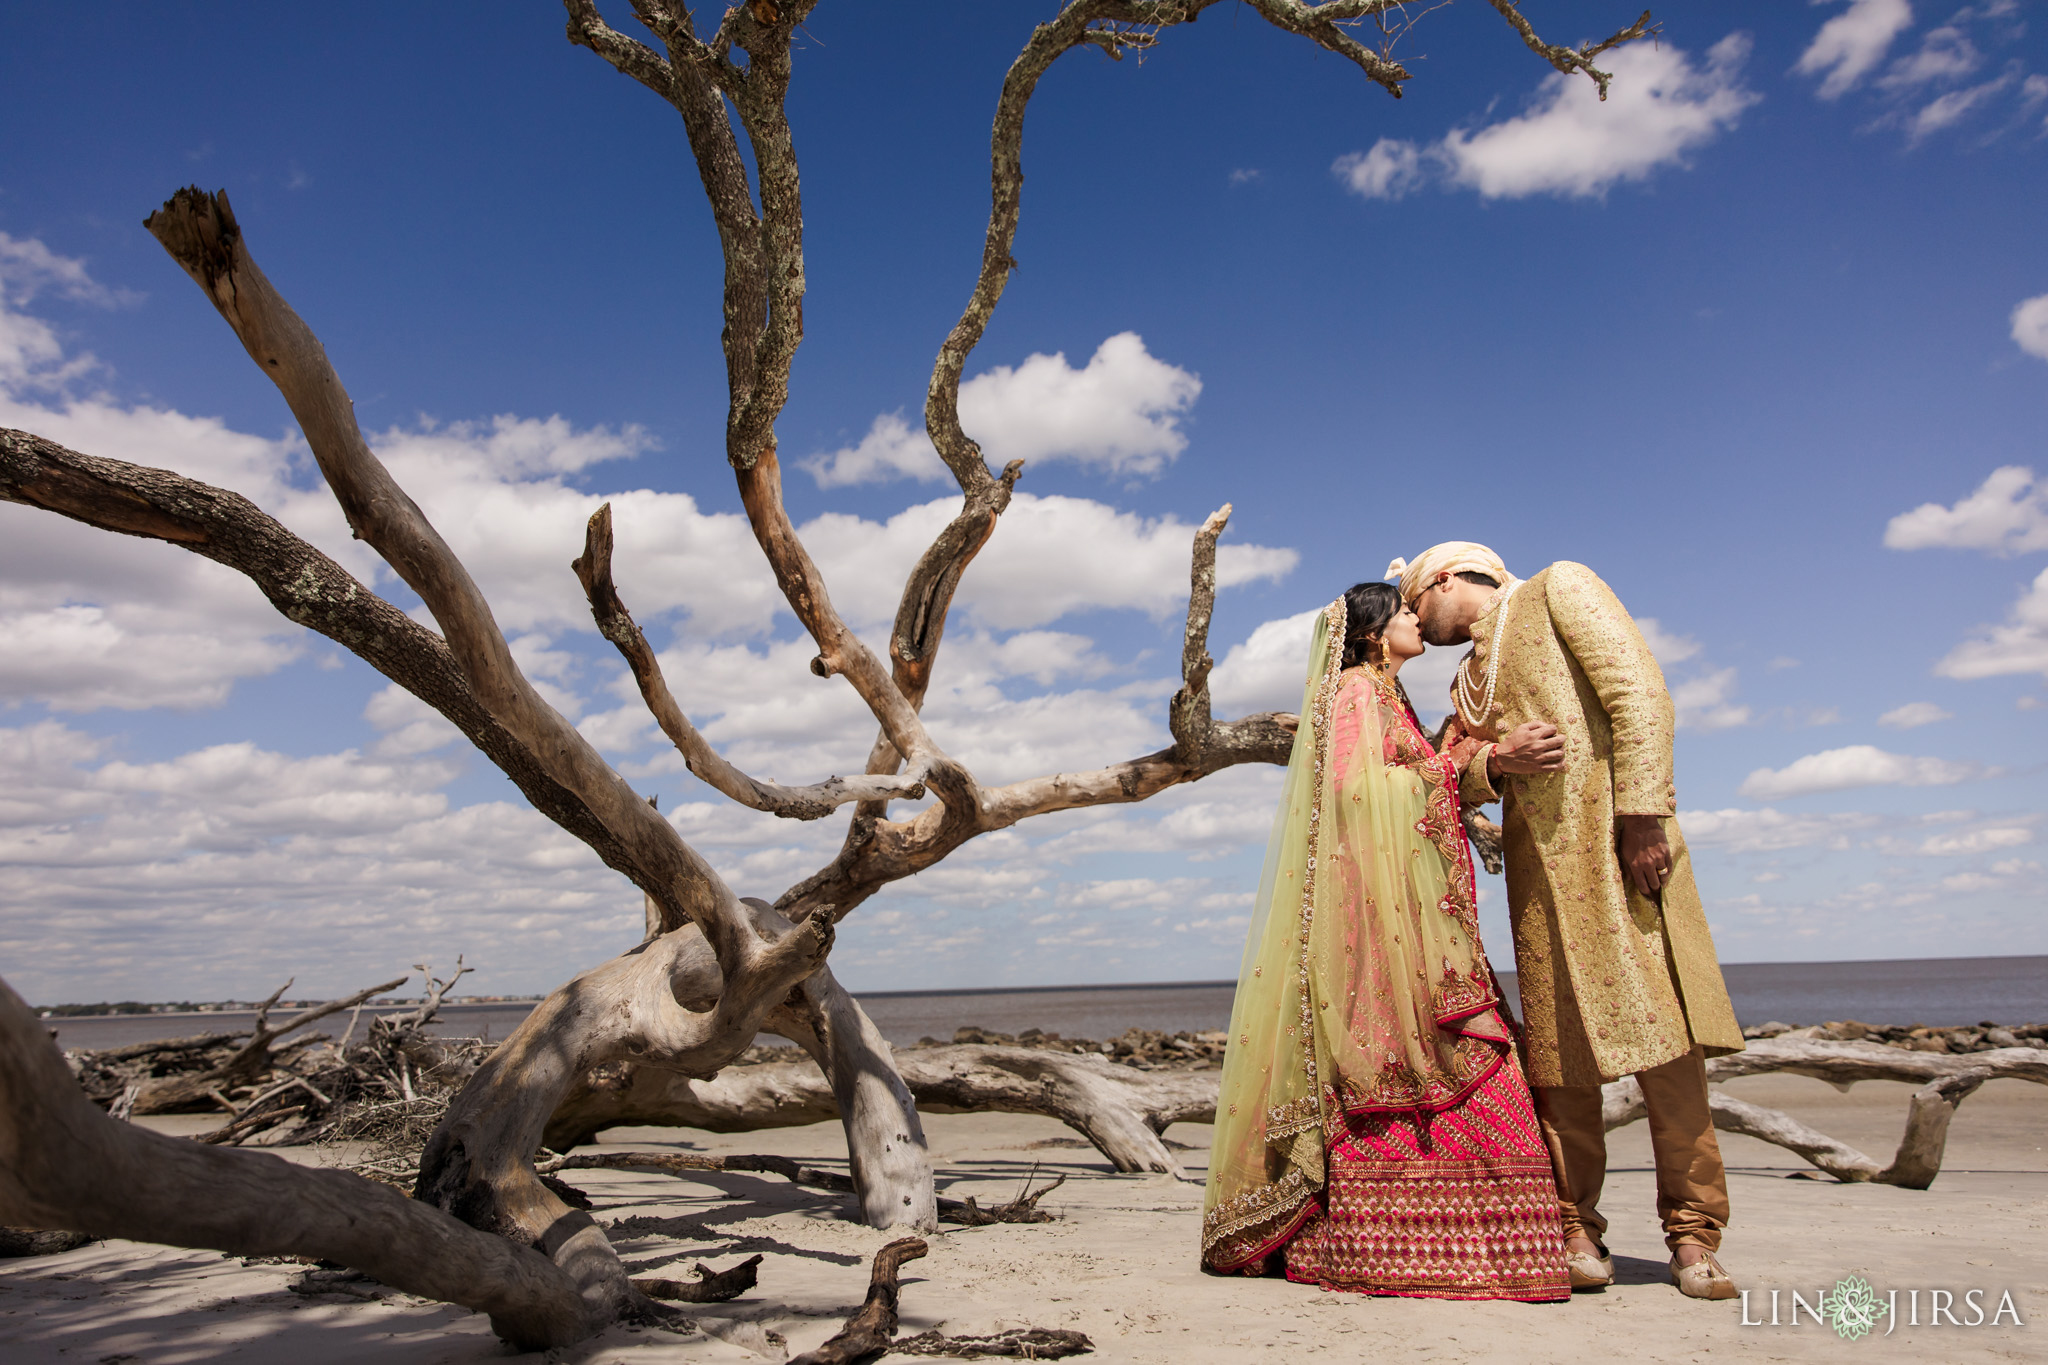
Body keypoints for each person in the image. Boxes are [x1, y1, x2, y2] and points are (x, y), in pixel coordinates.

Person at [1390, 541, 1746, 1301]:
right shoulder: (1467, 680)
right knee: (1558, 1064)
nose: (1415, 621)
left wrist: (1644, 816)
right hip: (1537, 884)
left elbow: (1641, 695)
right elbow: (1449, 771)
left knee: (1670, 1054)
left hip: (1620, 857)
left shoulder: (1559, 588)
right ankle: (1575, 1227)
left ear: (1446, 579)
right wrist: (1497, 763)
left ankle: (1692, 1235)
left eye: (1416, 602)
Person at [1200, 583, 1569, 1302]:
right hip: (1375, 923)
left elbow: (1393, 779)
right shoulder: (1354, 696)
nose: (1414, 620)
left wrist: (1457, 761)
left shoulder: (1385, 695)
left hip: (1403, 914)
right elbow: (1352, 795)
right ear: (1372, 634)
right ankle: (1411, 1243)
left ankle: (1488, 1241)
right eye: (1402, 613)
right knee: (1420, 1056)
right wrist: (1448, 768)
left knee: (1461, 1055)